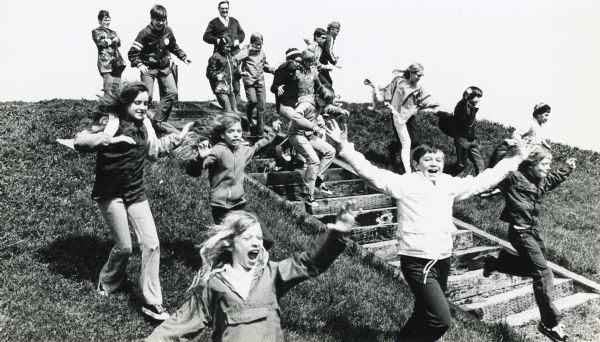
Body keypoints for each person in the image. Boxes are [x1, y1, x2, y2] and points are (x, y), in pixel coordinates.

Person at [325, 119, 532, 342]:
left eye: (439, 159)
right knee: (440, 320)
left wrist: (516, 158)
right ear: (416, 164)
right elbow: (371, 173)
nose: (434, 163)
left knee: (423, 313)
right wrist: (345, 147)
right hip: (417, 260)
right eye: (428, 159)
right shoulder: (405, 184)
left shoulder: (448, 184)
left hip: (442, 259)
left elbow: (484, 180)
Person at [145, 203, 356, 342]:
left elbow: (308, 263)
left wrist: (337, 232)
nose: (256, 242)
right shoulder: (214, 285)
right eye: (248, 238)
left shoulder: (271, 275)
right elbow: (178, 325)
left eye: (259, 238)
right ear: (230, 243)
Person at [73, 82, 193, 321]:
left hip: (135, 192)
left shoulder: (145, 124)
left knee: (152, 243)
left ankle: (152, 302)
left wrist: (177, 139)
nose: (142, 107)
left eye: (146, 103)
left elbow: (154, 151)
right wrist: (108, 139)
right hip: (110, 193)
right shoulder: (110, 121)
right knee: (125, 247)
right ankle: (108, 282)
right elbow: (80, 140)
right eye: (137, 102)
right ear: (126, 103)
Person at [483, 150, 576, 342]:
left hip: (533, 232)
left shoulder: (540, 181)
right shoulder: (514, 178)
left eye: (549, 164)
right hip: (520, 232)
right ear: (531, 164)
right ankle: (549, 324)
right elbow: (497, 167)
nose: (547, 168)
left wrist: (567, 167)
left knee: (533, 269)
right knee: (543, 273)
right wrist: (506, 148)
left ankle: (497, 264)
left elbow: (553, 179)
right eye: (544, 164)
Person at [185, 113, 281, 224]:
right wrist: (200, 158)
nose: (236, 135)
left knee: (265, 238)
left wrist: (274, 131)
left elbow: (258, 146)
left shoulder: (243, 151)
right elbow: (193, 172)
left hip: (240, 204)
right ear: (222, 134)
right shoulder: (217, 151)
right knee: (229, 238)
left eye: (238, 131)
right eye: (231, 131)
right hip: (221, 206)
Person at [365, 63, 439, 173]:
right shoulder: (398, 81)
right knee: (406, 142)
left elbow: (424, 97)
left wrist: (434, 105)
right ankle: (408, 170)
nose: (419, 78)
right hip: (398, 116)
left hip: (409, 116)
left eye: (421, 76)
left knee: (417, 141)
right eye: (418, 75)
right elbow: (387, 94)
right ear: (411, 73)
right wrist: (375, 87)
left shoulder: (417, 86)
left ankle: (408, 160)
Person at [128, 5, 191, 124]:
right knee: (147, 96)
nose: (161, 23)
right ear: (152, 19)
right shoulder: (144, 33)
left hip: (164, 67)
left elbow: (173, 46)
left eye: (163, 20)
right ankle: (136, 122)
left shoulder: (168, 31)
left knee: (172, 92)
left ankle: (158, 122)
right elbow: (132, 53)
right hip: (149, 69)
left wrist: (183, 57)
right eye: (158, 20)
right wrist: (139, 64)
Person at [482, 102, 553, 197]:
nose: (547, 118)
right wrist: (521, 145)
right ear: (539, 114)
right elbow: (516, 134)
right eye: (546, 115)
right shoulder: (530, 123)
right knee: (512, 172)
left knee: (520, 174)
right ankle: (491, 188)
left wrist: (545, 144)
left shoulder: (539, 126)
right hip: (524, 154)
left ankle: (500, 189)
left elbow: (539, 138)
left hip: (531, 156)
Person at [203, 0, 245, 111]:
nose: (224, 10)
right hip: (221, 55)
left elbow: (242, 34)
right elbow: (206, 37)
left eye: (226, 8)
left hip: (234, 54)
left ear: (228, 8)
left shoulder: (234, 21)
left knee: (234, 77)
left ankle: (235, 105)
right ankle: (226, 106)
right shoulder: (213, 23)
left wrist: (237, 41)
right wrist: (218, 41)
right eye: (222, 8)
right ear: (219, 9)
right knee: (222, 80)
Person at [233, 32, 275, 135]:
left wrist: (269, 69)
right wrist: (239, 72)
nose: (259, 46)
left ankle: (260, 131)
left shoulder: (262, 52)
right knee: (252, 101)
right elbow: (234, 60)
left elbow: (264, 64)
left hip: (260, 81)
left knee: (262, 107)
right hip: (249, 81)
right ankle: (249, 117)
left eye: (260, 44)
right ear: (252, 43)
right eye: (256, 44)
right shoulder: (246, 51)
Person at [445, 86, 486, 176]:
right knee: (461, 165)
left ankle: (481, 186)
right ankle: (439, 174)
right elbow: (463, 102)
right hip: (462, 140)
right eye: (477, 97)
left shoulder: (471, 108)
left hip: (471, 141)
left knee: (480, 165)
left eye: (480, 98)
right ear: (470, 96)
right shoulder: (462, 105)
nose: (479, 100)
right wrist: (465, 96)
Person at [92, 10, 125, 99]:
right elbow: (100, 43)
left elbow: (119, 42)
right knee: (108, 88)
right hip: (105, 64)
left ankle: (115, 111)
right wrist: (112, 40)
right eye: (105, 20)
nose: (107, 22)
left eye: (108, 20)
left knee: (118, 88)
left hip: (116, 63)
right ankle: (104, 111)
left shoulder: (112, 31)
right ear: (100, 21)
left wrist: (110, 40)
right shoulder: (96, 31)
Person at [206, 34, 238, 113]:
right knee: (228, 110)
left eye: (230, 47)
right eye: (227, 47)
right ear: (221, 45)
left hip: (229, 87)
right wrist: (216, 75)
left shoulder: (228, 56)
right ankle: (225, 124)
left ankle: (232, 123)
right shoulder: (215, 57)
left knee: (235, 110)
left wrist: (240, 73)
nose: (229, 49)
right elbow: (209, 72)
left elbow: (230, 70)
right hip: (221, 87)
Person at [270, 48, 302, 122]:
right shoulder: (281, 71)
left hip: (296, 103)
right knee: (297, 120)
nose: (299, 64)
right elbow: (273, 87)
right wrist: (277, 87)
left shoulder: (299, 71)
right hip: (284, 104)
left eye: (300, 62)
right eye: (297, 61)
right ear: (290, 60)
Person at [319, 21, 341, 85]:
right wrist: (334, 62)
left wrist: (333, 57)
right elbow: (328, 51)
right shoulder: (330, 37)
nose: (337, 33)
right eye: (337, 31)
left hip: (319, 62)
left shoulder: (325, 36)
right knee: (328, 83)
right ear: (331, 29)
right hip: (322, 63)